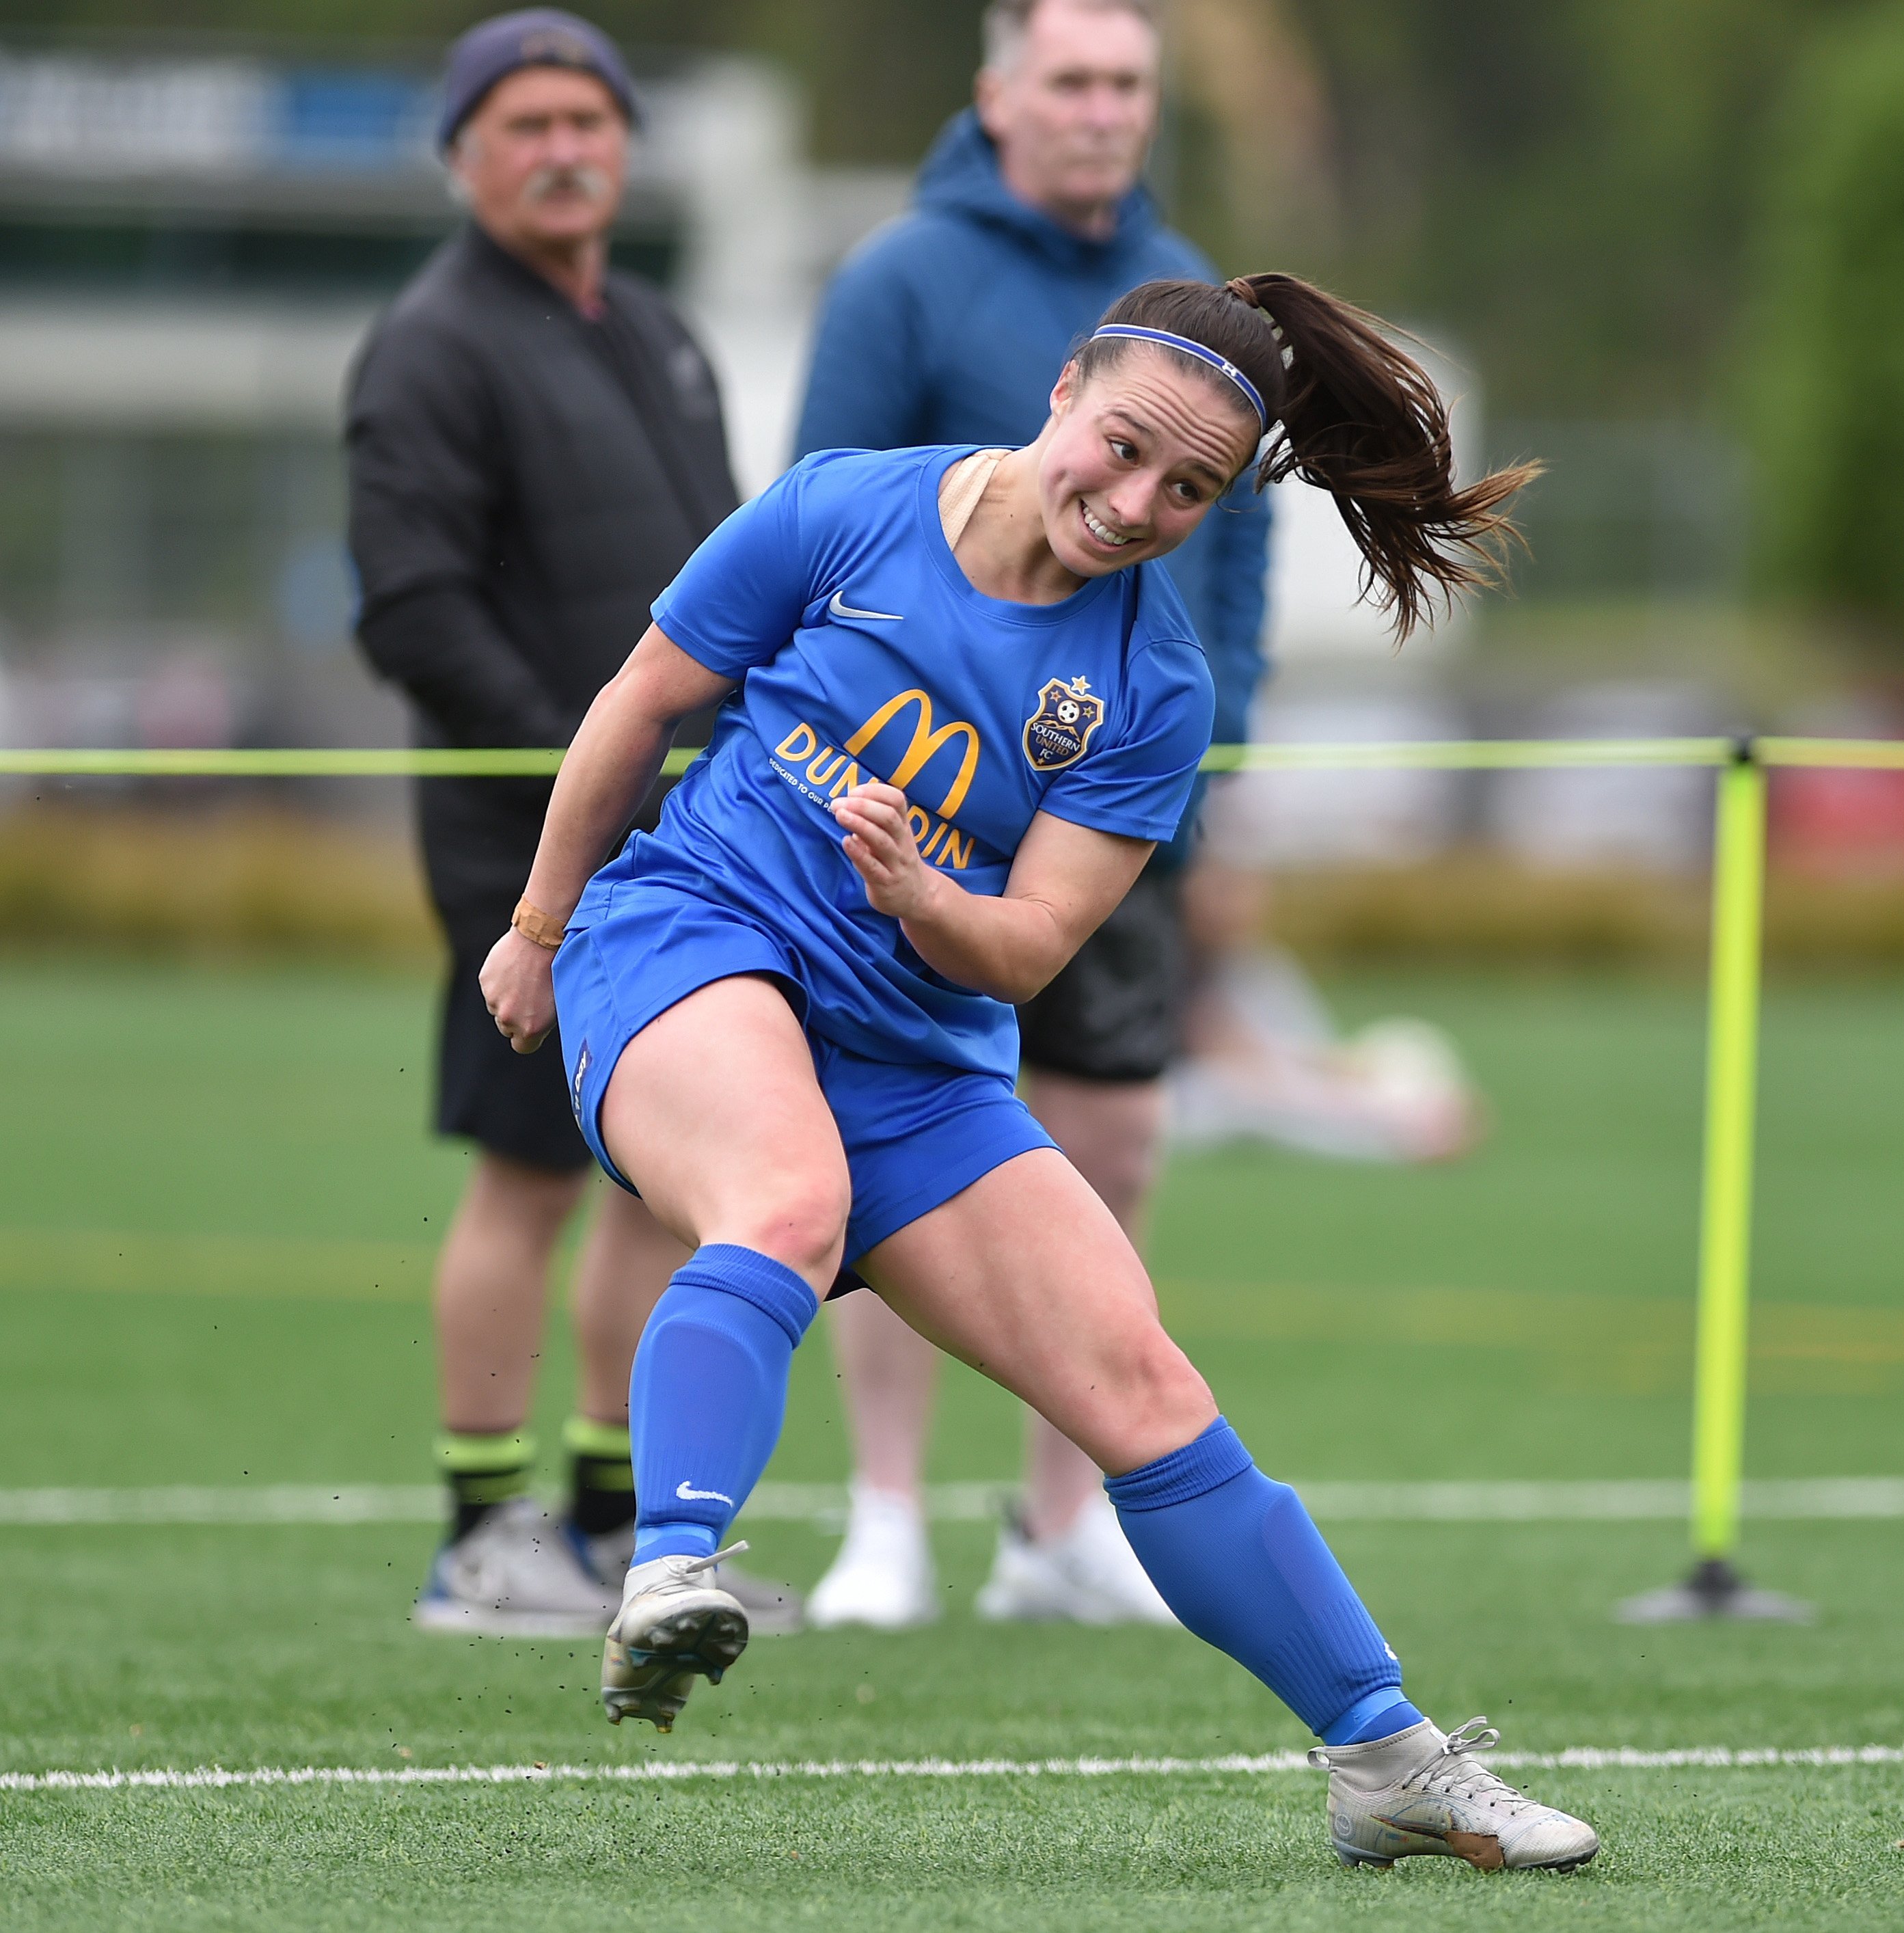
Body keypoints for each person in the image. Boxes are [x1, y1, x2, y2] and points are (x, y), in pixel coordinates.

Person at [477, 274, 1592, 1871]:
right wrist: (536, 923)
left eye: (1189, 489)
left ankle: (1383, 1755)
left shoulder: (1151, 687)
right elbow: (640, 700)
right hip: (686, 936)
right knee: (782, 1198)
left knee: (1145, 1391)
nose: (1135, 503)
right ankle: (667, 1574)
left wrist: (929, 897)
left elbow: (1025, 952)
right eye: (1123, 446)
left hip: (914, 1045)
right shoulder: (845, 511)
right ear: (1065, 389)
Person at [790, 0, 1270, 1631]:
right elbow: (827, 505)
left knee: (1112, 1141)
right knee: (899, 1148)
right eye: (1068, 79)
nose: (1099, 111)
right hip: (919, 796)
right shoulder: (902, 274)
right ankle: (882, 1522)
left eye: (1127, 83)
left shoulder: (1191, 285)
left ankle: (1061, 1528)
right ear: (995, 95)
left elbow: (1240, 569)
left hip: (1115, 793)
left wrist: (1219, 768)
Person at [346, 9, 795, 1632]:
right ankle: (481, 1532)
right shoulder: (431, 344)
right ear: (466, 155)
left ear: (621, 146)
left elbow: (727, 579)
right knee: (527, 1175)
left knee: (637, 1177)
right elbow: (411, 611)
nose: (560, 149)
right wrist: (579, 770)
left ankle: (611, 1522)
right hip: (518, 845)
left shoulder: (654, 329)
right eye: (522, 123)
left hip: (686, 840)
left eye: (586, 122)